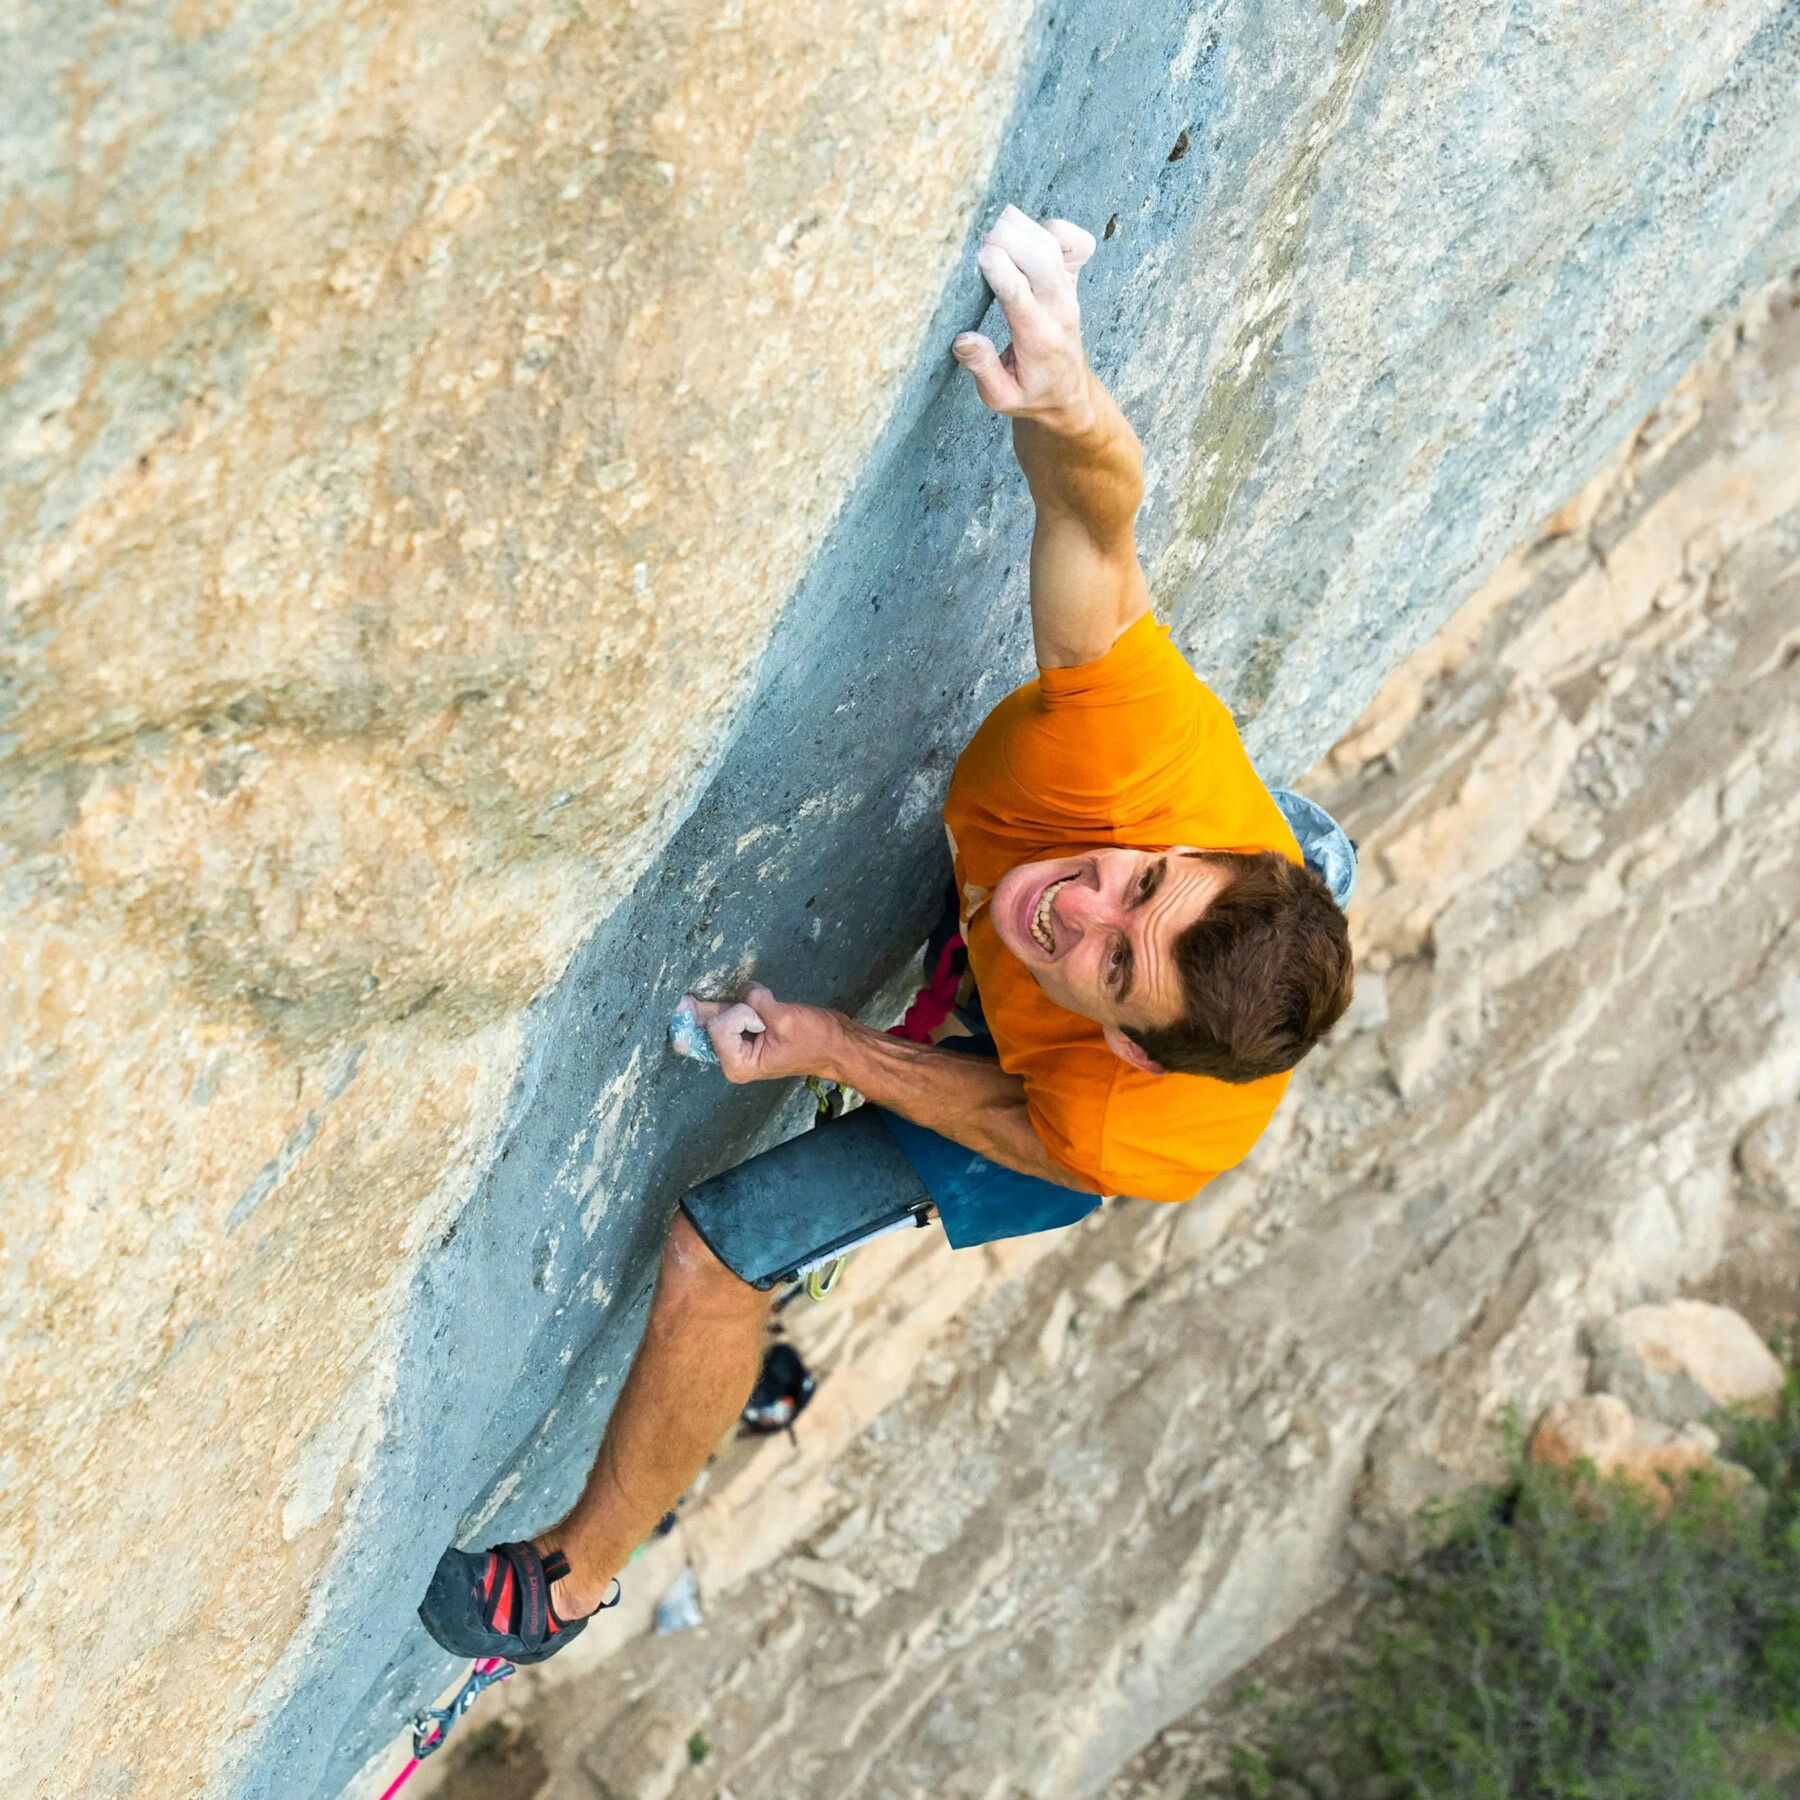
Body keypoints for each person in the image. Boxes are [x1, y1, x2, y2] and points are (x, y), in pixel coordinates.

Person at [419, 206, 1355, 1665]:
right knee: (1279, 843)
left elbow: (1007, 1107)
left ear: (1118, 1031)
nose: (1085, 900)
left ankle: (576, 1579)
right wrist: (1075, 405)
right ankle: (1300, 865)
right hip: (1189, 865)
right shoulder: (1141, 767)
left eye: (1114, 952)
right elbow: (1094, 523)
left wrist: (825, 1042)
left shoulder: (1125, 1116)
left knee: (723, 1250)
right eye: (1143, 883)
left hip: (1035, 1094)